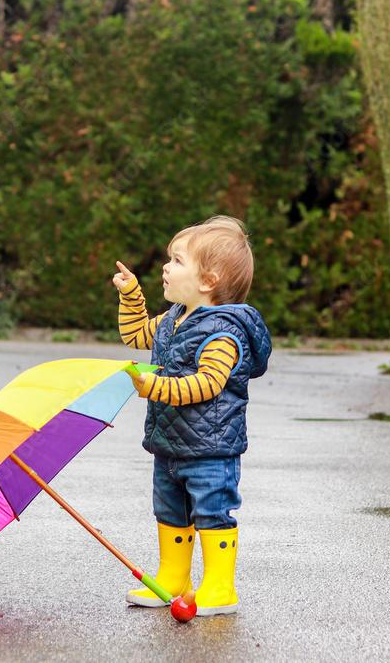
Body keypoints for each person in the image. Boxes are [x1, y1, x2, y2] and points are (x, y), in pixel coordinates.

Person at [112, 215, 271, 616]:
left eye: (177, 260)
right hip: (169, 443)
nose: (166, 267)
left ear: (208, 281)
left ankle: (219, 587)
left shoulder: (223, 332)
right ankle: (173, 576)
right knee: (169, 510)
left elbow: (207, 384)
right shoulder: (173, 319)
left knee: (211, 510)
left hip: (212, 448)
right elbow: (136, 335)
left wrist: (154, 388)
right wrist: (132, 297)